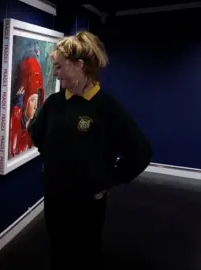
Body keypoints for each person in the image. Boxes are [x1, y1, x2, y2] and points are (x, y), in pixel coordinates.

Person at [27, 31, 152, 270]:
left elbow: (141, 152)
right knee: (58, 252)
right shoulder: (54, 104)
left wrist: (107, 179)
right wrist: (56, 160)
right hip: (55, 199)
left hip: (88, 203)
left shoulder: (107, 108)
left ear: (78, 65)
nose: (55, 73)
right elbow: (37, 135)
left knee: (87, 255)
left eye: (59, 67)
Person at [9, 57, 44, 158]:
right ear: (24, 101)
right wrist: (16, 112)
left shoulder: (34, 124)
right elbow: (14, 152)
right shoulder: (18, 121)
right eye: (33, 100)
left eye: (37, 100)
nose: (36, 106)